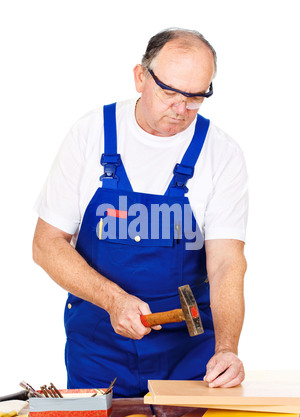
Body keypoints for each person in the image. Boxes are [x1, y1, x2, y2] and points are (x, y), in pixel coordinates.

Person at [33, 28, 248, 398]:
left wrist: (227, 348)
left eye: (196, 97)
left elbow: (227, 263)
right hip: (98, 350)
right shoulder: (90, 135)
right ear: (140, 76)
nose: (181, 109)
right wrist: (113, 300)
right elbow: (46, 245)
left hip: (190, 357)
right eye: (169, 92)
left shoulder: (221, 153)